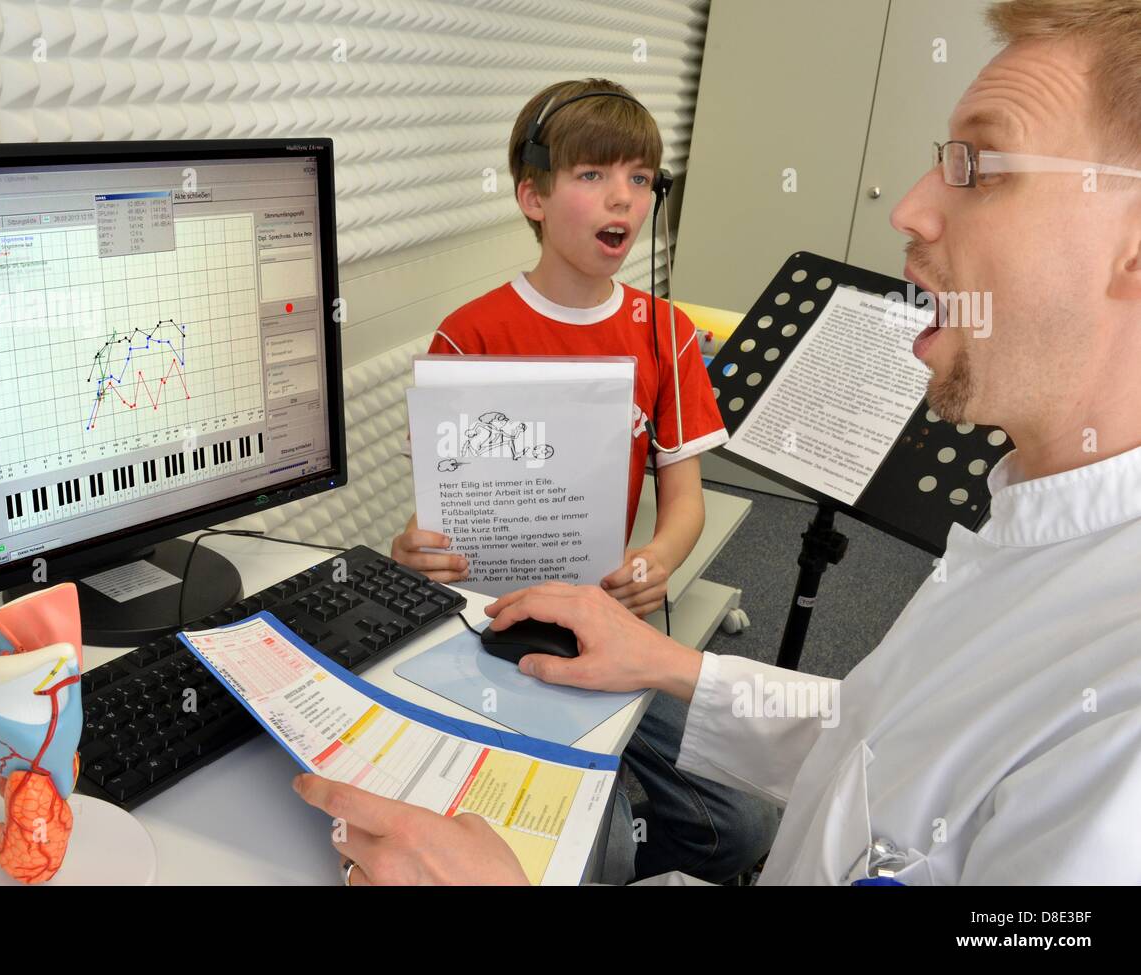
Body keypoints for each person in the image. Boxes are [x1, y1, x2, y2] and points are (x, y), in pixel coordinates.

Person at [297, 0, 1141, 884]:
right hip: (500, 621)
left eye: (978, 165)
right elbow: (870, 730)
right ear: (533, 196)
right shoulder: (1027, 533)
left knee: (678, 834)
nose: (911, 209)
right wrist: (667, 662)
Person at [387, 77, 779, 883]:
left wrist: (658, 559)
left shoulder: (667, 333)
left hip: (611, 621)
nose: (624, 200)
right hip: (489, 625)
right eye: (594, 175)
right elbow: (437, 514)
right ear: (533, 194)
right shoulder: (470, 334)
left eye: (641, 179)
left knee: (741, 826)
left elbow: (685, 498)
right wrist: (414, 551)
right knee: (563, 847)